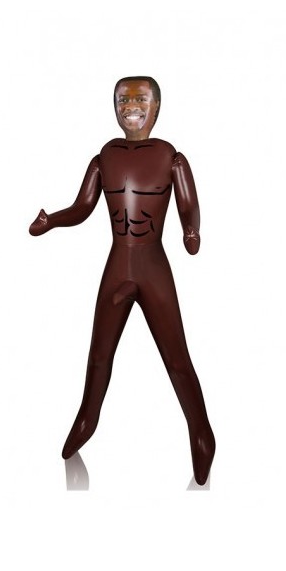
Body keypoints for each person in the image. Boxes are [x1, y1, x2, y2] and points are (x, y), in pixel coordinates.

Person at [29, 76, 216, 485]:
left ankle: (202, 432)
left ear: (157, 106)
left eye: (140, 98)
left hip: (152, 266)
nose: (131, 105)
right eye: (123, 98)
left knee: (177, 357)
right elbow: (83, 206)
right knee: (99, 355)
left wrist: (191, 230)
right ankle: (87, 418)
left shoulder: (171, 157)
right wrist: (53, 220)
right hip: (118, 265)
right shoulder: (105, 157)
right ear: (113, 106)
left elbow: (189, 205)